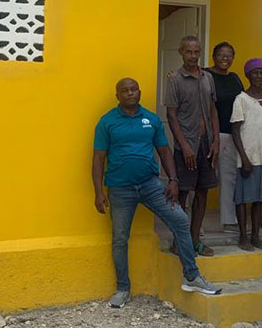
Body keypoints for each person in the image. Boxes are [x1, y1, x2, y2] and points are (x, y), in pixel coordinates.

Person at [93, 78, 222, 309]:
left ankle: (191, 277)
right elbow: (98, 158)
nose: (130, 93)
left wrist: (173, 180)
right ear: (117, 96)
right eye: (125, 90)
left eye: (133, 89)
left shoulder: (151, 119)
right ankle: (123, 288)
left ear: (139, 92)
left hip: (150, 185)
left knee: (180, 220)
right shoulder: (107, 122)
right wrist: (98, 192)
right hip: (120, 189)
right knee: (120, 238)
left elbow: (164, 151)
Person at [165, 36, 220, 257]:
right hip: (186, 146)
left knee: (202, 193)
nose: (193, 56)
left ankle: (195, 240)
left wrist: (216, 140)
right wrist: (184, 146)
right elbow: (171, 115)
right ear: (181, 52)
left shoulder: (207, 78)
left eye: (196, 52)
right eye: (188, 52)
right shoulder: (175, 80)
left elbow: (213, 110)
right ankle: (179, 241)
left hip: (206, 145)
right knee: (182, 196)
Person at [230, 58, 262, 251]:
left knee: (260, 199)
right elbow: (235, 130)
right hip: (248, 158)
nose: (258, 76)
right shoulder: (241, 99)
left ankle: (256, 236)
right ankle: (243, 237)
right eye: (254, 72)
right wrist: (244, 158)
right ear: (247, 75)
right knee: (242, 198)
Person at [203, 42, 244, 233]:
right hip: (207, 134)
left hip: (229, 134)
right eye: (221, 55)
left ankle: (229, 221)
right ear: (213, 56)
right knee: (200, 178)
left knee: (229, 178)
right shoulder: (203, 75)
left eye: (229, 55)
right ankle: (195, 223)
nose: (225, 59)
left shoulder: (235, 79)